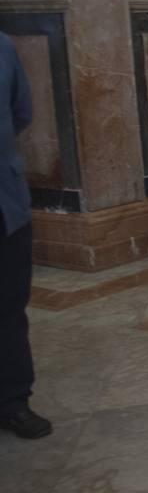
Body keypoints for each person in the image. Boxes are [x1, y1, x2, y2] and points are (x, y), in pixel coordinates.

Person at [0, 33, 48, 440]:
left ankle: (14, 399)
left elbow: (20, 112)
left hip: (4, 202)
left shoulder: (3, 47)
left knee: (10, 306)